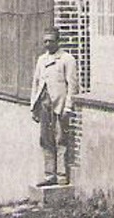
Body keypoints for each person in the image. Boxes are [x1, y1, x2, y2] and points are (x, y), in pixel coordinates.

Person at [31, 29, 79, 185]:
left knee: (60, 139)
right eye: (45, 41)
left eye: (51, 41)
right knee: (45, 140)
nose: (47, 44)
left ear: (58, 41)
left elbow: (72, 85)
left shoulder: (66, 59)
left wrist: (68, 108)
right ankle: (49, 175)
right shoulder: (41, 60)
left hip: (59, 106)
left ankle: (61, 175)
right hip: (44, 105)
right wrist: (34, 106)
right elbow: (36, 84)